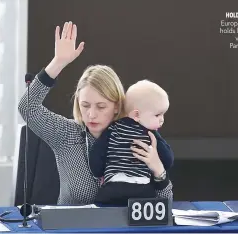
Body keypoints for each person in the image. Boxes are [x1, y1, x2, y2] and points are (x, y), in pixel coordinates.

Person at [18, 21, 173, 205]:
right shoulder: (67, 133)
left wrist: (159, 171)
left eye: (101, 107)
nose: (91, 114)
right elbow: (27, 108)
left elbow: (164, 206)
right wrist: (57, 63)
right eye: (85, 105)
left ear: (117, 106)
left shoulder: (138, 135)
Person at [89, 80, 174, 205]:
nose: (162, 120)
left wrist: (100, 171)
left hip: (113, 187)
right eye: (158, 115)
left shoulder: (113, 128)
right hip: (142, 190)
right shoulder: (150, 134)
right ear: (137, 115)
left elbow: (96, 162)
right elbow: (168, 160)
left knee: (103, 208)